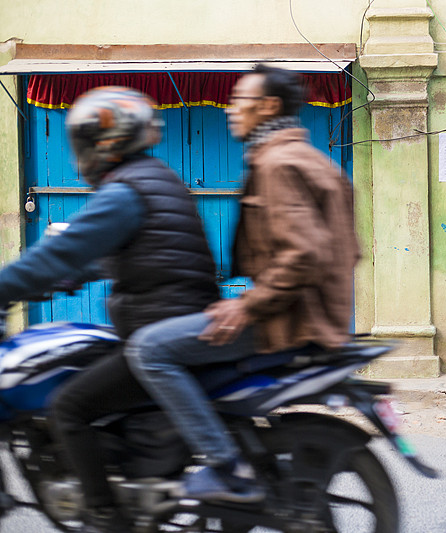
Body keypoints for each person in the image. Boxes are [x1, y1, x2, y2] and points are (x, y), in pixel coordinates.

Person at [124, 65, 360, 503]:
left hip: (288, 320)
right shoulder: (309, 158)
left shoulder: (277, 162)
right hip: (315, 313)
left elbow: (304, 253)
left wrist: (246, 306)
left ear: (268, 107)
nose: (230, 109)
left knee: (149, 349)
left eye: (239, 101)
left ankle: (226, 465)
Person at [0, 87, 220, 533]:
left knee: (68, 407)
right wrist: (65, 280)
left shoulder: (124, 191)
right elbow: (129, 255)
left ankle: (106, 516)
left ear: (104, 143)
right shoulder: (153, 176)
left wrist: (15, 283)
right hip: (172, 316)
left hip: (161, 326)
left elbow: (59, 254)